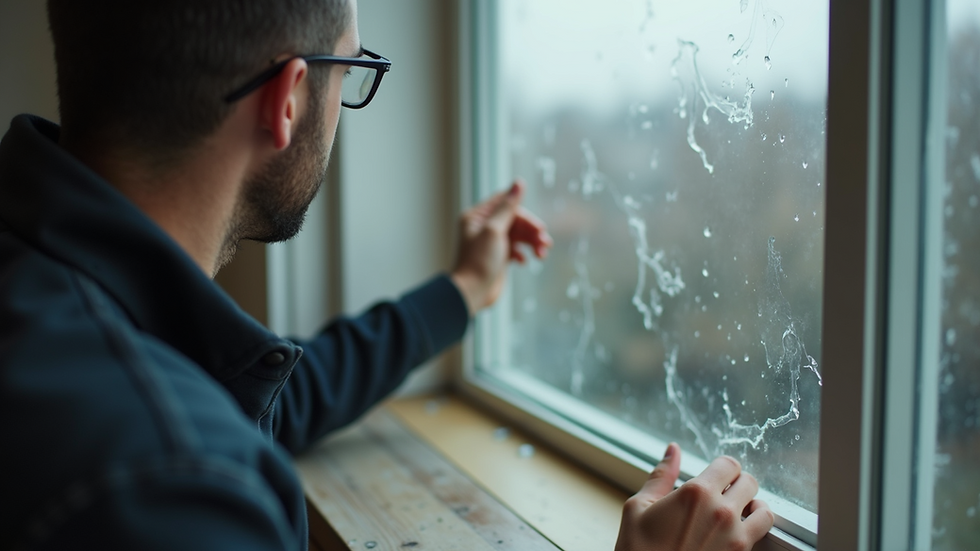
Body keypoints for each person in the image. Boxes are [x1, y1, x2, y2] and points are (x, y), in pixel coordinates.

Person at [0, 0, 774, 549]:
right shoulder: (176, 489)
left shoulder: (56, 287)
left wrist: (461, 292)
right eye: (350, 68)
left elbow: (258, 395)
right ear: (290, 98)